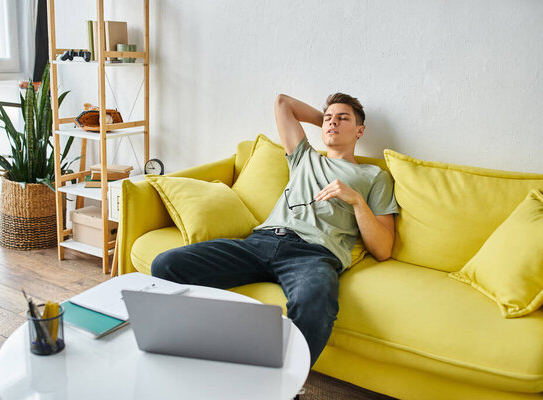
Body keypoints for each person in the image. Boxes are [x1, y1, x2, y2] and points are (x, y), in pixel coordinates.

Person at [151, 93, 398, 367]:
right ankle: (188, 355)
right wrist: (329, 120)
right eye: (329, 118)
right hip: (260, 243)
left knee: (315, 304)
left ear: (360, 130)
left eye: (343, 119)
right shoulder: (304, 156)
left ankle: (281, 386)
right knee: (166, 264)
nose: (332, 123)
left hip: (313, 255)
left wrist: (356, 201)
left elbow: (383, 249)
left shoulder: (374, 176)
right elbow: (283, 103)